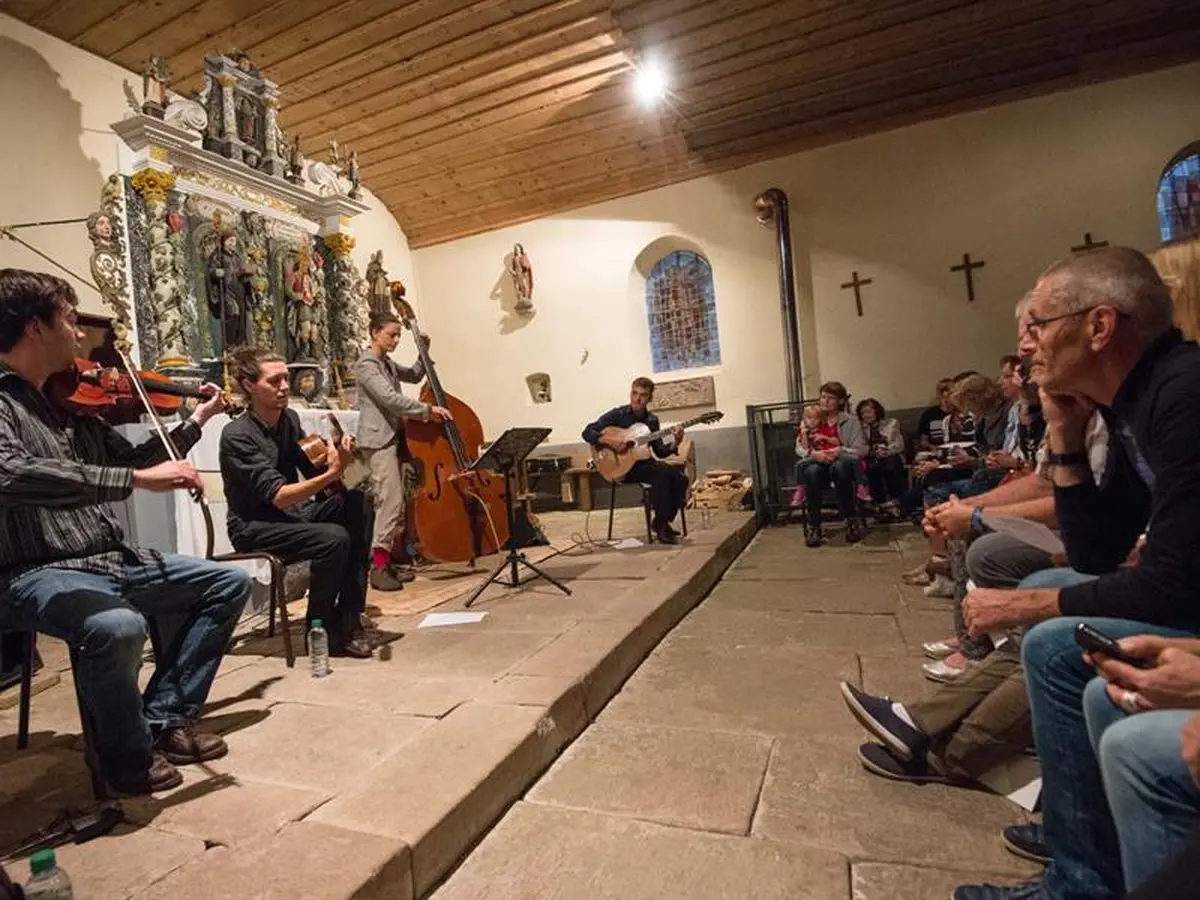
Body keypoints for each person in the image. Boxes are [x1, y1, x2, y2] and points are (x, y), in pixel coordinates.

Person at [952, 247, 1200, 899]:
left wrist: (1021, 608)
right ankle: (1083, 852)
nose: (1025, 343)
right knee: (1059, 628)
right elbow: (1097, 551)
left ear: (1099, 326)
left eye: (1037, 323)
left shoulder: (1183, 394)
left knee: (1055, 641)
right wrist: (1064, 431)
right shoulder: (1126, 406)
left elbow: (1171, 583)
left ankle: (1081, 877)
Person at [0, 269, 249, 795]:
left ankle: (162, 718)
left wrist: (197, 421)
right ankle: (126, 757)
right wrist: (135, 480)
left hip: (109, 556)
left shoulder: (71, 405)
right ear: (35, 328)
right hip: (36, 569)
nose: (79, 334)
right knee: (117, 626)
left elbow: (136, 460)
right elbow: (11, 474)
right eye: (69, 321)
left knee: (227, 583)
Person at [219, 347, 374, 659]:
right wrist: (331, 474)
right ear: (249, 386)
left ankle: (348, 616)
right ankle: (319, 628)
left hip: (293, 514)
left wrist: (338, 460)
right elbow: (279, 496)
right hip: (255, 525)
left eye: (285, 378)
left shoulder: (288, 419)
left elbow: (312, 469)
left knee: (359, 503)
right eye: (274, 381)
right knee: (333, 538)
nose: (284, 387)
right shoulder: (237, 435)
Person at [354, 311, 451, 591]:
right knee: (390, 503)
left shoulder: (386, 363)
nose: (396, 340)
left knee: (395, 505)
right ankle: (378, 567)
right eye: (391, 334)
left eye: (398, 335)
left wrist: (424, 351)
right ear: (375, 333)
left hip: (394, 437)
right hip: (378, 440)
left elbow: (415, 374)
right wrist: (427, 411)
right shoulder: (367, 364)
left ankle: (387, 562)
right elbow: (390, 399)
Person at [582, 377, 687, 544]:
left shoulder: (652, 421)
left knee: (680, 478)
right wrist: (610, 441)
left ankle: (660, 521)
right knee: (661, 475)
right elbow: (587, 432)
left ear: (649, 398)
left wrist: (676, 442)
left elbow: (659, 452)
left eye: (643, 395)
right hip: (622, 468)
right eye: (634, 393)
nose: (637, 399)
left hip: (644, 464)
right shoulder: (618, 415)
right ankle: (661, 526)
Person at [795, 381, 867, 547]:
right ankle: (814, 525)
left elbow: (861, 449)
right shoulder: (812, 417)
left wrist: (840, 451)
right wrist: (813, 454)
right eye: (823, 397)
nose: (825, 401)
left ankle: (850, 520)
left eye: (831, 398)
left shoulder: (851, 421)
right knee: (812, 472)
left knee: (840, 468)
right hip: (818, 462)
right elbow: (799, 447)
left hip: (841, 463)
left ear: (840, 401)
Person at [856, 397, 906, 504]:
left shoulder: (891, 423)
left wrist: (887, 451)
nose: (866, 415)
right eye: (862, 413)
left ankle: (897, 501)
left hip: (890, 454)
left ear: (877, 411)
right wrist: (874, 452)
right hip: (871, 456)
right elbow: (860, 447)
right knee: (871, 468)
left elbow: (899, 444)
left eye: (868, 411)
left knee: (892, 464)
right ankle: (879, 503)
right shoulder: (859, 428)